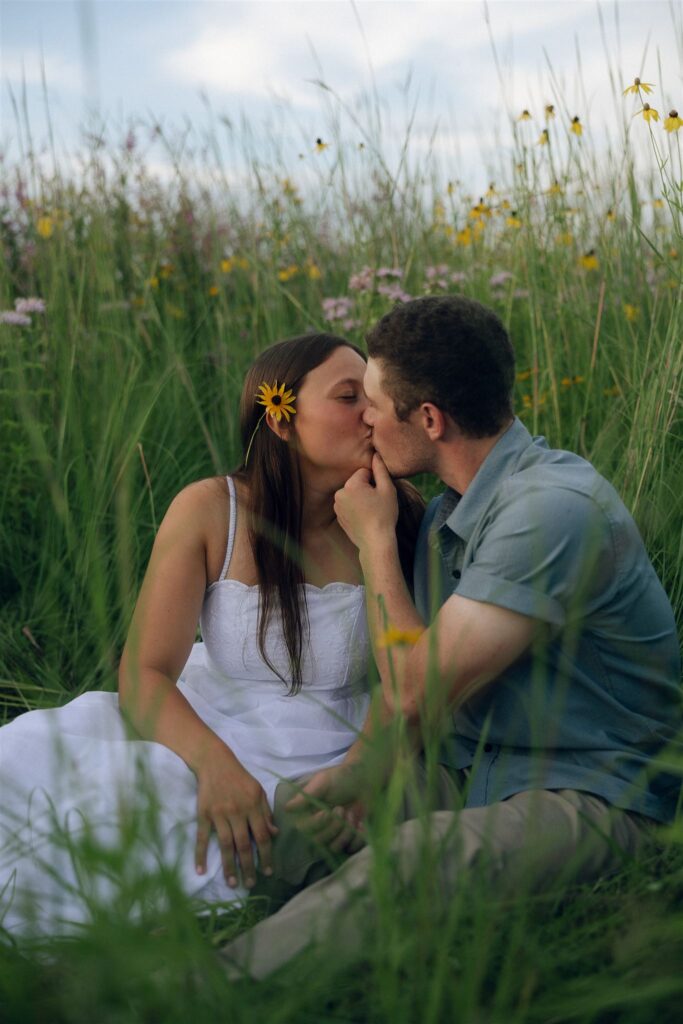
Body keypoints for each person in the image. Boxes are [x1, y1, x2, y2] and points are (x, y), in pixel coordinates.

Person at [219, 294, 682, 979]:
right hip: (481, 769)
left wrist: (375, 542)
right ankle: (254, 938)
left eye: (374, 404)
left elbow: (414, 689)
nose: (365, 421)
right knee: (300, 810)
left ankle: (196, 993)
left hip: (600, 790)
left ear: (429, 419)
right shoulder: (450, 515)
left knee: (414, 862)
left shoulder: (548, 512)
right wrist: (359, 774)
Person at [0, 332, 423, 937]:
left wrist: (365, 765)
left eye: (374, 398)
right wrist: (215, 767)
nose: (372, 415)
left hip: (330, 744)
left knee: (162, 838)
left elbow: (406, 672)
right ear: (281, 422)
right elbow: (143, 675)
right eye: (349, 396)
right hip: (201, 723)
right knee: (52, 782)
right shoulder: (210, 509)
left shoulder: (396, 514)